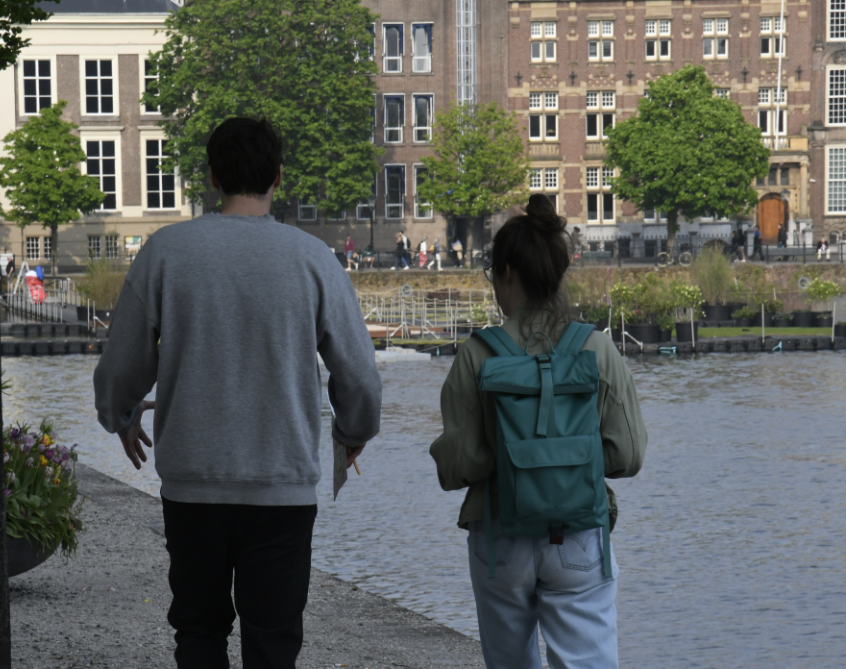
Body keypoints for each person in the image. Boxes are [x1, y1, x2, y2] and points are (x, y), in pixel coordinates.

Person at [93, 117, 382, 668]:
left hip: (193, 484)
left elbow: (122, 364)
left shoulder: (166, 252)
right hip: (281, 486)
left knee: (198, 632)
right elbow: (360, 376)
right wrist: (354, 430)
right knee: (274, 639)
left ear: (212, 177)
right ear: (279, 176)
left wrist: (121, 413)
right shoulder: (313, 258)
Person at [429, 194, 646, 668]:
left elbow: (458, 466)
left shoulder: (477, 353)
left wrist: (510, 450)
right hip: (578, 531)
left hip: (500, 533)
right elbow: (627, 456)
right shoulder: (596, 348)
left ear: (507, 272)